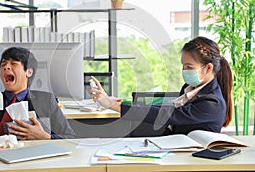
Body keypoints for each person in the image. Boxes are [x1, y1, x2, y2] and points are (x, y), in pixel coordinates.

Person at [90, 36, 233, 135]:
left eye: (189, 66)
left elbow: (165, 115)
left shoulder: (212, 103)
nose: (184, 71)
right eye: (183, 66)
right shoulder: (189, 88)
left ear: (208, 68)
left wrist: (111, 104)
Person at [0, 47, 76, 141]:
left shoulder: (45, 100)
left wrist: (46, 137)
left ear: (29, 72)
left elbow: (69, 137)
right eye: (3, 64)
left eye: (13, 63)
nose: (6, 67)